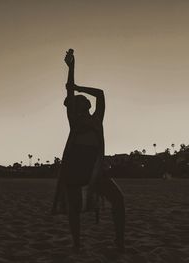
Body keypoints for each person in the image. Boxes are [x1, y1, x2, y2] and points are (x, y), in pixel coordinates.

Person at [51, 49, 125, 252]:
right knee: (74, 208)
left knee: (118, 199)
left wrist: (78, 86)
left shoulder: (96, 119)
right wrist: (71, 68)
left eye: (83, 98)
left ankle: (119, 241)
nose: (82, 98)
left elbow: (100, 93)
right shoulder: (74, 120)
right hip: (75, 167)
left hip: (94, 169)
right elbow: (68, 90)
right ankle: (76, 244)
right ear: (76, 106)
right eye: (79, 98)